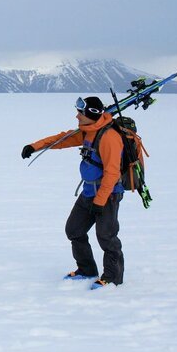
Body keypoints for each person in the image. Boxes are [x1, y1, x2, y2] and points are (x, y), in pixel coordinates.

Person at [21, 96, 125, 290]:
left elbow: (112, 174)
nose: (76, 115)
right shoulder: (88, 132)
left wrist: (100, 202)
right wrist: (35, 146)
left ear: (91, 115)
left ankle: (113, 278)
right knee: (74, 230)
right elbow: (62, 139)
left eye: (80, 112)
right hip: (88, 193)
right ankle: (86, 269)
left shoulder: (109, 137)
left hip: (108, 195)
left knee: (106, 237)